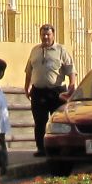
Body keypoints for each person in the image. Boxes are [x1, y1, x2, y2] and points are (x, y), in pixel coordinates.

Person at [24, 23, 75, 152]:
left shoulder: (61, 50)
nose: (45, 37)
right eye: (43, 34)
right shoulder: (35, 50)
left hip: (56, 92)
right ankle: (41, 149)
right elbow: (29, 70)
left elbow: (70, 69)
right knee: (40, 121)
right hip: (38, 92)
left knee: (58, 121)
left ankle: (58, 148)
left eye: (48, 34)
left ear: (53, 35)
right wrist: (27, 86)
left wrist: (72, 85)